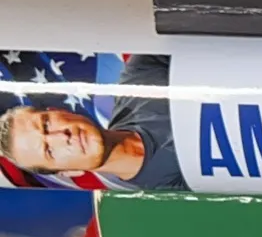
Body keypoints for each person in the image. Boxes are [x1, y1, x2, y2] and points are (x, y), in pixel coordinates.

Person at [0, 55, 183, 188]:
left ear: (58, 110)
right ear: (68, 172)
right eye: (49, 150)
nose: (62, 137)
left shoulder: (144, 77)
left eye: (46, 125)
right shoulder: (167, 202)